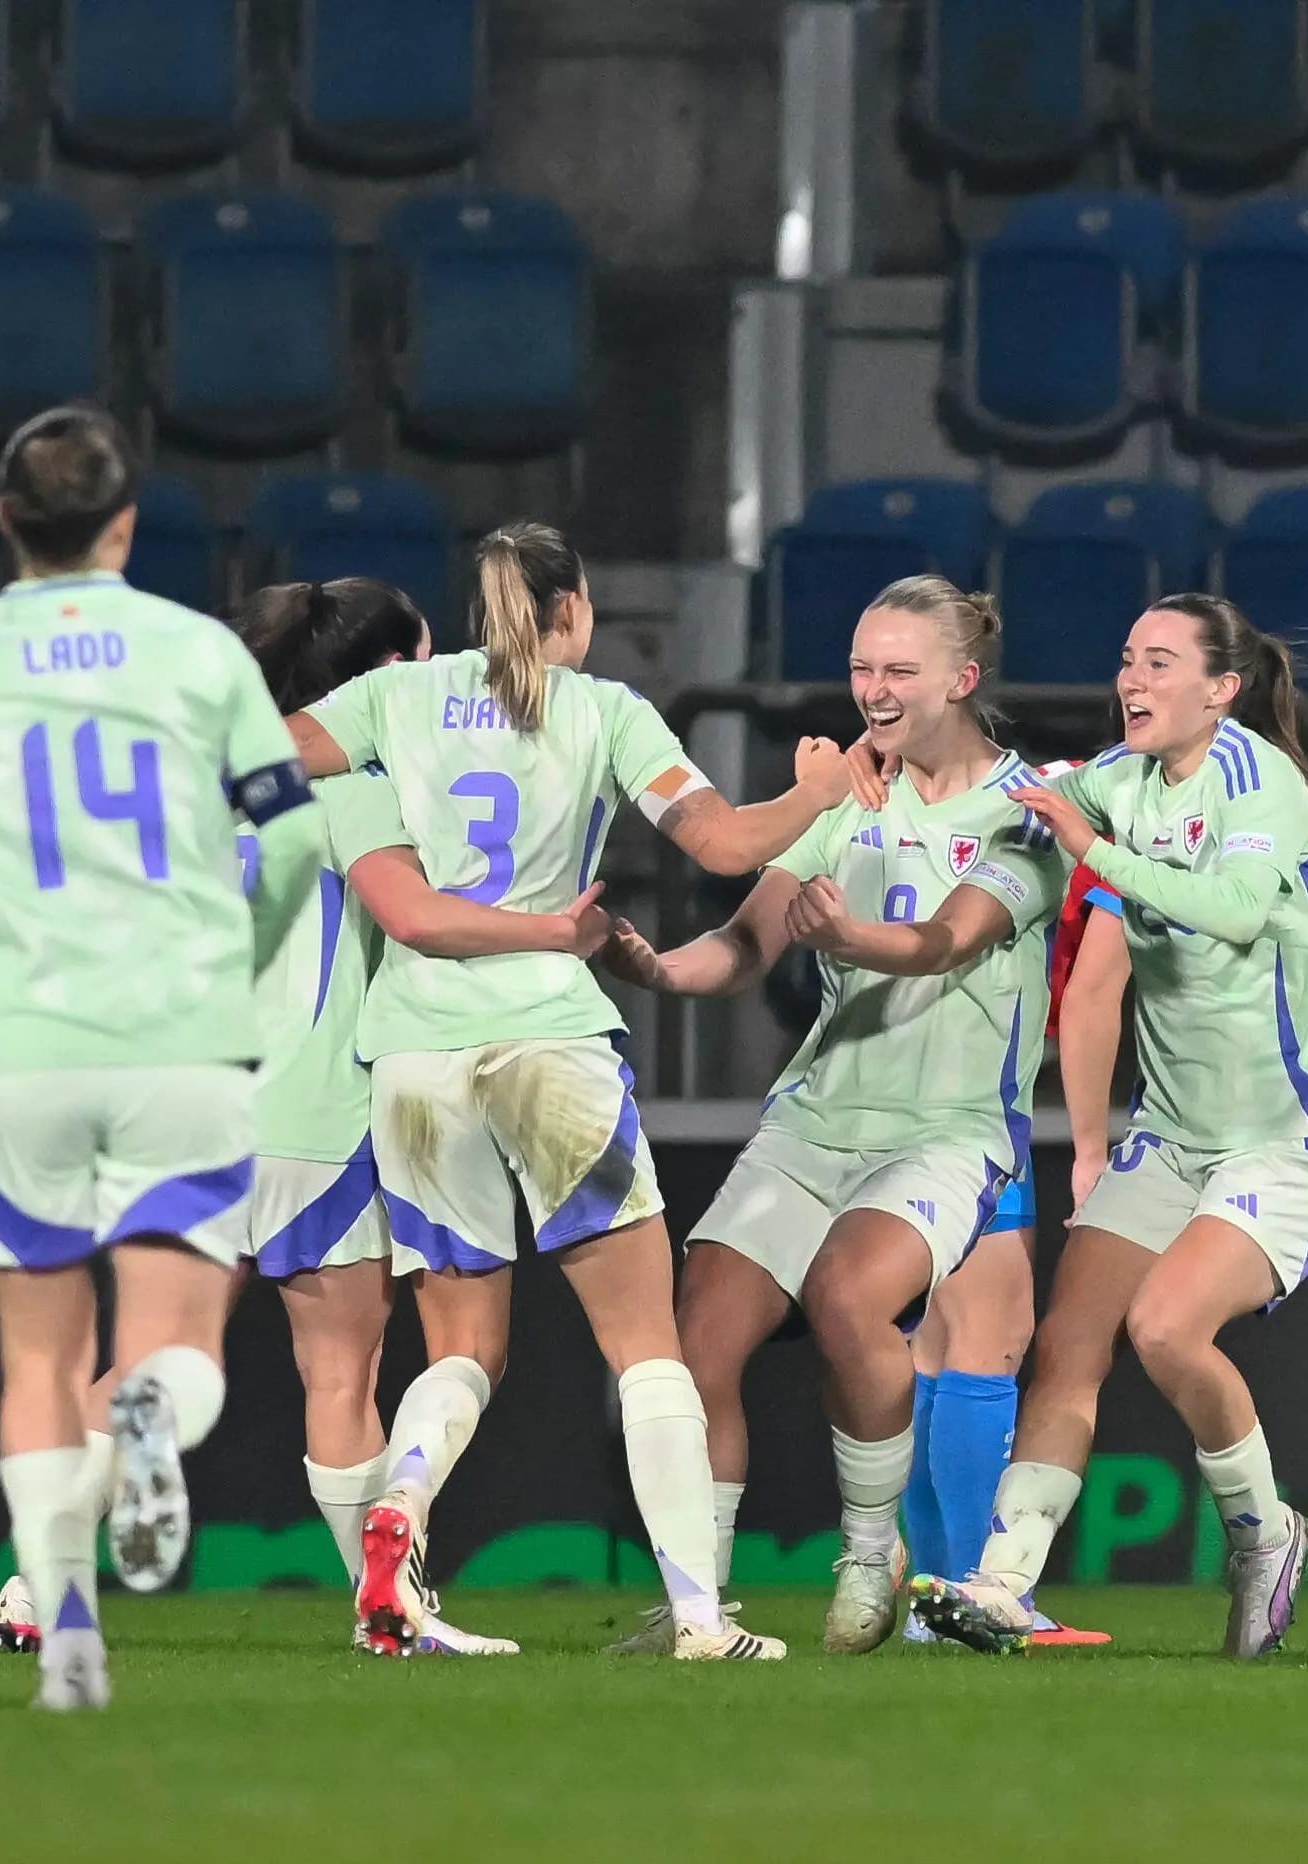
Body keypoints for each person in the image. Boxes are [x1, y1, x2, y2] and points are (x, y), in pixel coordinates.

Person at [282, 521, 854, 1661]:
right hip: (547, 1031)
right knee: (645, 1343)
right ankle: (699, 1615)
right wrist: (820, 793)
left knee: (458, 1346)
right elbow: (729, 848)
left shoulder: (397, 697)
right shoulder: (604, 710)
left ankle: (399, 1506)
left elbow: (257, 755)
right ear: (572, 610)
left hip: (413, 1051)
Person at [0, 404, 316, 1712]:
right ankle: (153, 1409)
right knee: (171, 1337)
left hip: (16, 1047)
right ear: (123, 524)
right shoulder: (203, 654)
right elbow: (302, 837)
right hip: (181, 1033)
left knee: (37, 1356)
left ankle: (67, 1642)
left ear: (4, 523)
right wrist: (238, 943)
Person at [594, 577, 1069, 1654]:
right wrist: (654, 969)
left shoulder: (1024, 808)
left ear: (961, 677)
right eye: (863, 668)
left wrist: (851, 942)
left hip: (948, 1131)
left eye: (899, 670)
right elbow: (748, 939)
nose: (875, 690)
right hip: (816, 1119)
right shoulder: (842, 793)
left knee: (850, 1296)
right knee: (696, 1335)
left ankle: (868, 1553)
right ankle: (697, 1609)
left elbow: (948, 939)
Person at [908, 594, 1308, 1661]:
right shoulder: (1123, 780)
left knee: (1165, 1325)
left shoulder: (1262, 785)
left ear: (1222, 689)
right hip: (1173, 1133)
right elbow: (1024, 800)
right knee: (1067, 1343)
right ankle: (1006, 1581)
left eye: (1160, 664)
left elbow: (1239, 909)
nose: (1133, 682)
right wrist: (905, 778)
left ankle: (1264, 1530)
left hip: (1283, 1138)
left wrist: (1089, 849)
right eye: (1125, 661)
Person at [233, 578, 618, 1656]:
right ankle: (391, 1601)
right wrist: (550, 932)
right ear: (388, 677)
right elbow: (416, 916)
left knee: (152, 1357)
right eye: (427, 652)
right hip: (318, 1105)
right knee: (341, 1373)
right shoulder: (366, 790)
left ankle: (40, 1570)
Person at [900, 817, 1129, 1648]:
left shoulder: (1003, 801)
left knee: (939, 1341)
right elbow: (1091, 986)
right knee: (990, 1336)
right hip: (964, 1095)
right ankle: (977, 1597)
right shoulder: (1098, 812)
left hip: (903, 1083)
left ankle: (934, 1602)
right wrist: (1093, 1144)